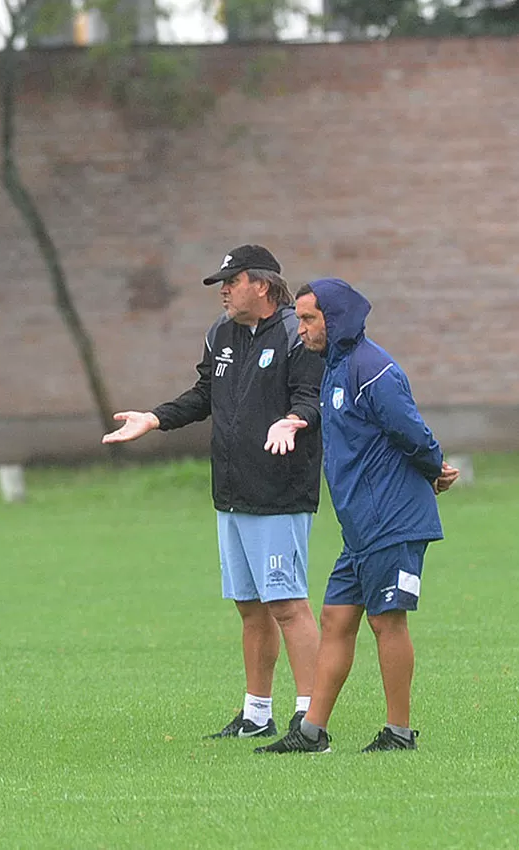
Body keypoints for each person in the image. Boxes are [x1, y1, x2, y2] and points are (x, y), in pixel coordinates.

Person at [103, 245, 324, 739]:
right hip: (230, 491)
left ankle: (309, 717)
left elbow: (313, 399)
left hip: (279, 493)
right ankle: (256, 714)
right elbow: (205, 395)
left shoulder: (295, 334)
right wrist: (154, 418)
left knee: (287, 604)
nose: (223, 290)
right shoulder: (220, 334)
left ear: (262, 285)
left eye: (232, 280)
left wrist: (293, 421)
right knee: (249, 607)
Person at [256, 278, 459, 755]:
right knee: (335, 617)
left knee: (387, 622)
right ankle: (311, 731)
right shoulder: (334, 369)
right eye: (300, 319)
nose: (300, 329)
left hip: (393, 520)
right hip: (360, 527)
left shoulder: (372, 369)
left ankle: (399, 732)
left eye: (309, 319)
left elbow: (411, 430)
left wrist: (433, 469)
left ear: (336, 319)